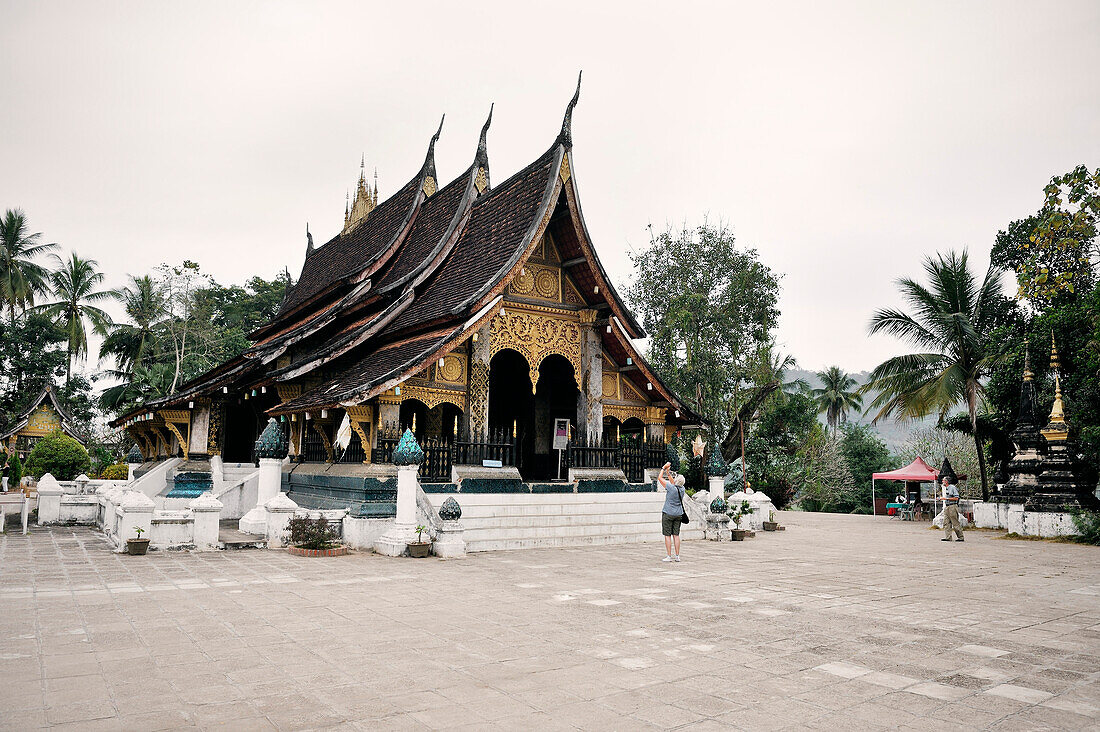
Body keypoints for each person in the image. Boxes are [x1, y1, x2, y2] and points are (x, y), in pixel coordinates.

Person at [658, 461, 686, 562]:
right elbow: (674, 482)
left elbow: (659, 479)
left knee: (667, 535)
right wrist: (668, 473)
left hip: (668, 513)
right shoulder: (682, 489)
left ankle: (669, 556)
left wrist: (663, 468)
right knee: (676, 535)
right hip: (678, 514)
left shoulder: (671, 488)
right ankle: (677, 556)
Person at [940, 475, 963, 542]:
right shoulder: (945, 488)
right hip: (947, 506)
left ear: (946, 481)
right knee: (946, 522)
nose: (942, 482)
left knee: (955, 522)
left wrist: (946, 498)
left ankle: (960, 537)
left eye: (943, 480)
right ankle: (948, 537)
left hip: (952, 506)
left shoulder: (952, 488)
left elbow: (956, 498)